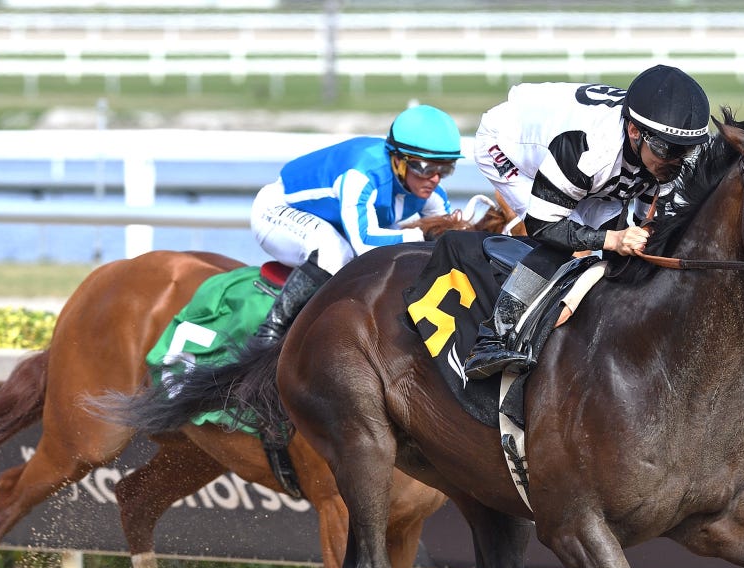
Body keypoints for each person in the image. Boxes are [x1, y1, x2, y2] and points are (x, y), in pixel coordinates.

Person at [464, 64, 711, 379]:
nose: (675, 161)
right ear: (635, 131)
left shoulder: (663, 151)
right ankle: (493, 338)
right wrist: (613, 240)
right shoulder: (591, 151)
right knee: (563, 245)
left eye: (686, 151)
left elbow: (654, 226)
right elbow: (545, 226)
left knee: (623, 248)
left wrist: (636, 237)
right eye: (666, 149)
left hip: (595, 169)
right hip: (508, 147)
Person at [250, 104, 464, 345]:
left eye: (445, 169)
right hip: (279, 210)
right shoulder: (362, 174)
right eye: (425, 167)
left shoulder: (430, 191)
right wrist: (421, 236)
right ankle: (269, 333)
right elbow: (364, 244)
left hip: (335, 222)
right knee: (334, 251)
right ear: (398, 160)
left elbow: (445, 241)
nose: (434, 179)